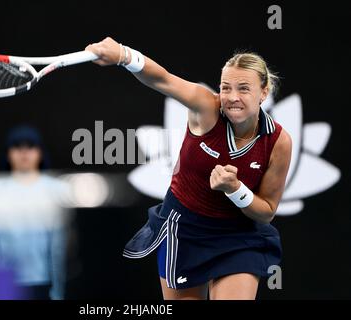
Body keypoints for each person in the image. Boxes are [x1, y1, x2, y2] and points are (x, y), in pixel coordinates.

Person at [85, 38, 292, 300]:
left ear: (264, 92)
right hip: (186, 231)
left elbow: (267, 212)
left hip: (239, 237)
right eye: (226, 88)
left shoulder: (279, 142)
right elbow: (163, 79)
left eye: (243, 88)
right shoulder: (206, 107)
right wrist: (123, 55)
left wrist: (236, 190)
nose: (232, 97)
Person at [0, 125, 71, 300]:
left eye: (30, 146)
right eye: (17, 146)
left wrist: (59, 292)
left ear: (40, 152)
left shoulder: (58, 190)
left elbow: (61, 248)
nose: (24, 152)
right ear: (8, 153)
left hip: (45, 284)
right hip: (5, 283)